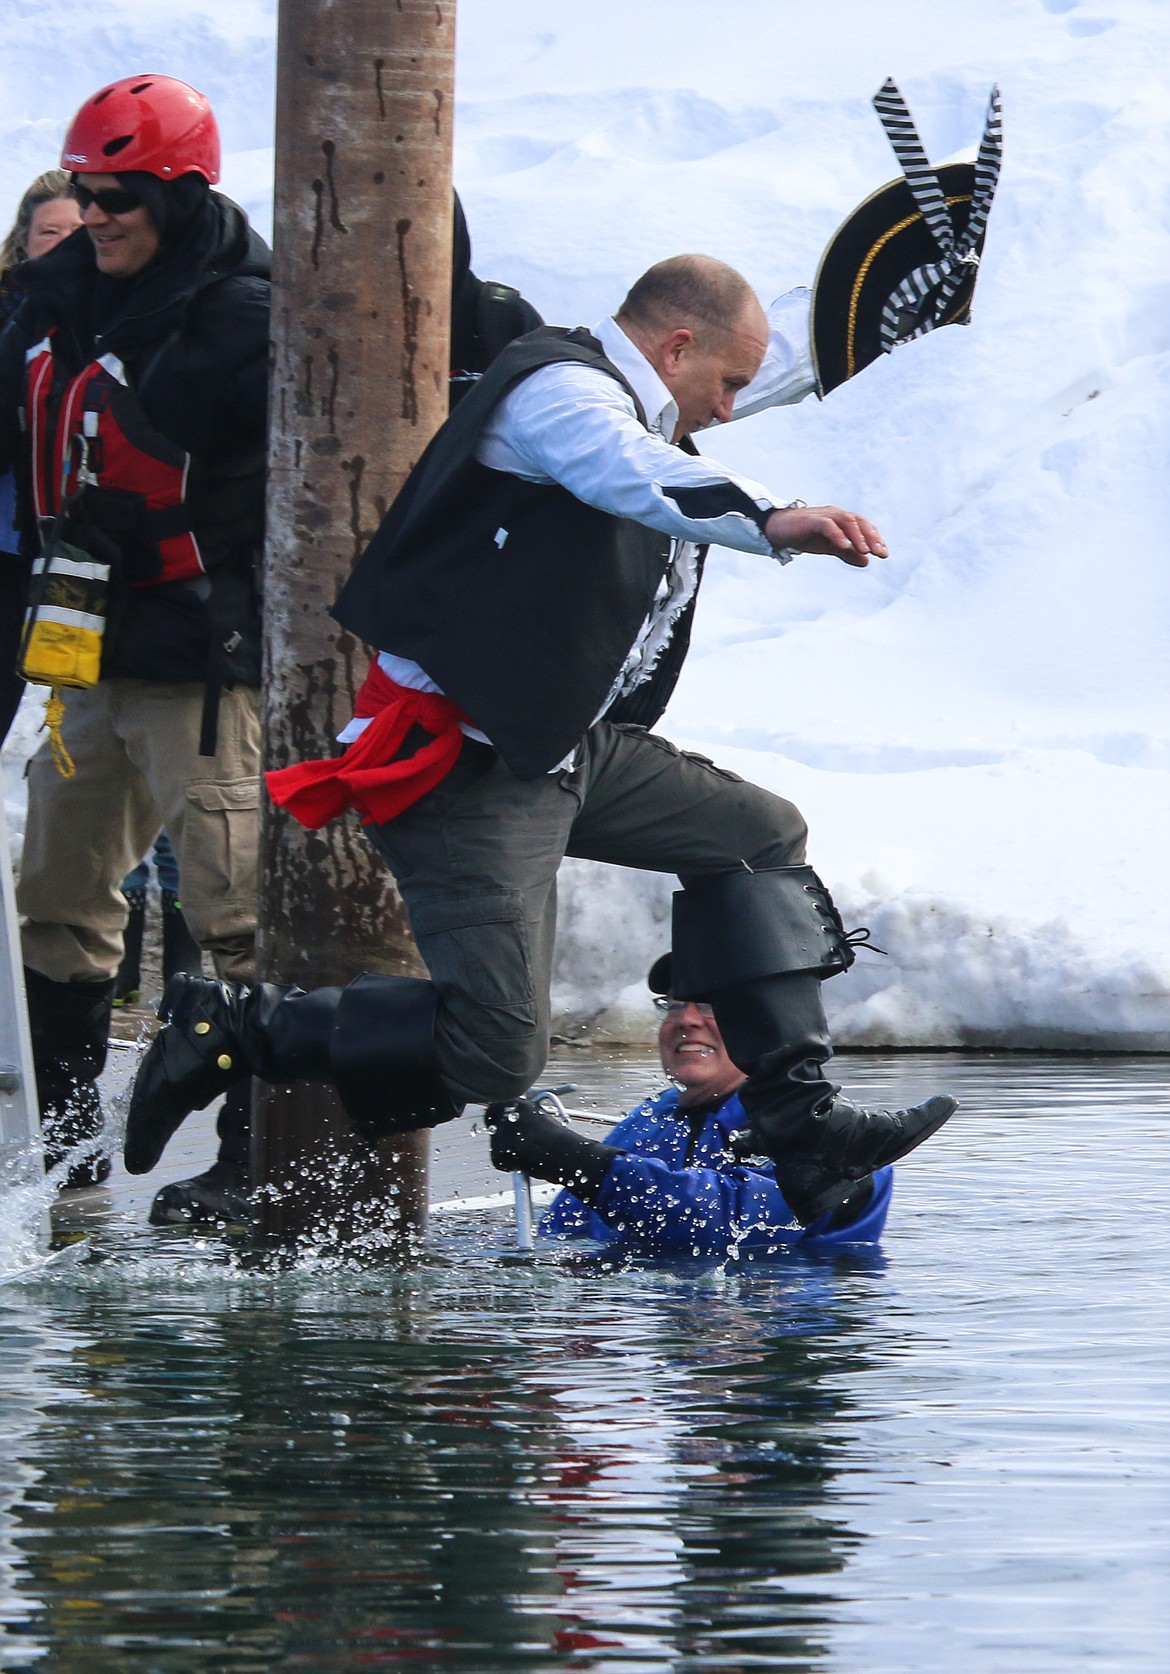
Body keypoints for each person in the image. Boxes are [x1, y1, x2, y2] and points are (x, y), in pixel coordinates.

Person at [126, 251, 957, 1228]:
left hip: (559, 748)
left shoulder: (655, 390)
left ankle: (800, 1127)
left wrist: (896, 287)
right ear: (676, 348)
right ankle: (228, 1029)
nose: (731, 411)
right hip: (462, 765)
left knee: (759, 834)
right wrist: (771, 516)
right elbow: (629, 474)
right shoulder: (559, 394)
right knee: (495, 1053)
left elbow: (757, 373)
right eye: (724, 387)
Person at [0, 76, 269, 1195]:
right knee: (57, 902)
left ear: (181, 191)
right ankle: (68, 1159)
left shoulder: (248, 315)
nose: (97, 212)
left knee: (238, 915)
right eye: (87, 191)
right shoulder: (53, 299)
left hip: (199, 662)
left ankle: (256, 1160)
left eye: (119, 194)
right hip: (83, 649)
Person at [490, 956, 890, 1257]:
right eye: (673, 1005)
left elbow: (727, 1225)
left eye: (713, 1005)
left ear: (771, 1021)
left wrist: (571, 1158)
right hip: (666, 1339)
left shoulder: (833, 1130)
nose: (687, 1020)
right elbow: (563, 1230)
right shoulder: (653, 1117)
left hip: (782, 1345)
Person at [0, 172, 84, 744]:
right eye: (48, 231)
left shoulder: (128, 312)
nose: (63, 243)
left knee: (83, 695)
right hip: (8, 542)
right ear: (23, 240)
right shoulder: (10, 312)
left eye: (76, 229)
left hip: (86, 550)